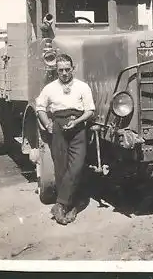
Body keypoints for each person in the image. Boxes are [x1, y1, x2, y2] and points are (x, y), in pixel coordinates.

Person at [36, 54, 95, 225]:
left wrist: (76, 122)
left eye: (67, 69)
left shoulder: (83, 87)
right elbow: (40, 108)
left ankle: (60, 204)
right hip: (58, 128)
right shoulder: (49, 88)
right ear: (56, 71)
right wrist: (48, 125)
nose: (64, 73)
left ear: (73, 69)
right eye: (61, 70)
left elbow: (90, 110)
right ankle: (70, 206)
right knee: (61, 167)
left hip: (78, 127)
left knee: (75, 167)